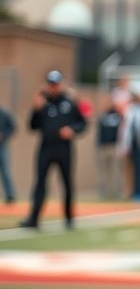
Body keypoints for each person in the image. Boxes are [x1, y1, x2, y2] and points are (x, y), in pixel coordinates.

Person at [20, 71, 87, 230]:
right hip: (46, 147)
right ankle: (34, 217)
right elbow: (33, 126)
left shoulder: (70, 103)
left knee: (67, 182)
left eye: (56, 84)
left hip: (64, 148)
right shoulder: (43, 103)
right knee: (40, 182)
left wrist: (72, 130)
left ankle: (69, 218)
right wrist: (35, 109)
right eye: (51, 84)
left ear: (61, 84)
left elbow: (82, 123)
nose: (54, 87)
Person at [0, 104, 16, 204]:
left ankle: (10, 195)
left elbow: (12, 127)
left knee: (5, 171)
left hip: (2, 146)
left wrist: (4, 135)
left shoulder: (4, 113)